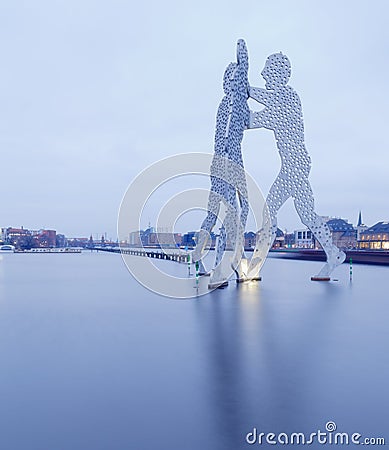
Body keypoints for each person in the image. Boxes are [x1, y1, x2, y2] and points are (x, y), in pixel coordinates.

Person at [248, 52, 345, 279]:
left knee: (272, 213)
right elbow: (261, 111)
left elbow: (260, 118)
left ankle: (255, 266)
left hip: (295, 165)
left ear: (279, 74)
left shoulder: (288, 97)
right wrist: (247, 95)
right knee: (303, 214)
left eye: (267, 71)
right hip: (293, 166)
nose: (263, 74)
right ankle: (333, 253)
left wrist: (246, 90)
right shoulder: (282, 98)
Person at [192, 39, 250, 286]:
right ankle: (219, 270)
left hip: (228, 162)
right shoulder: (229, 104)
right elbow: (227, 140)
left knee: (221, 213)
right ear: (229, 83)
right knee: (231, 214)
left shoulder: (234, 106)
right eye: (234, 79)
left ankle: (200, 257)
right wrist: (242, 52)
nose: (238, 82)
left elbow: (251, 122)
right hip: (226, 162)